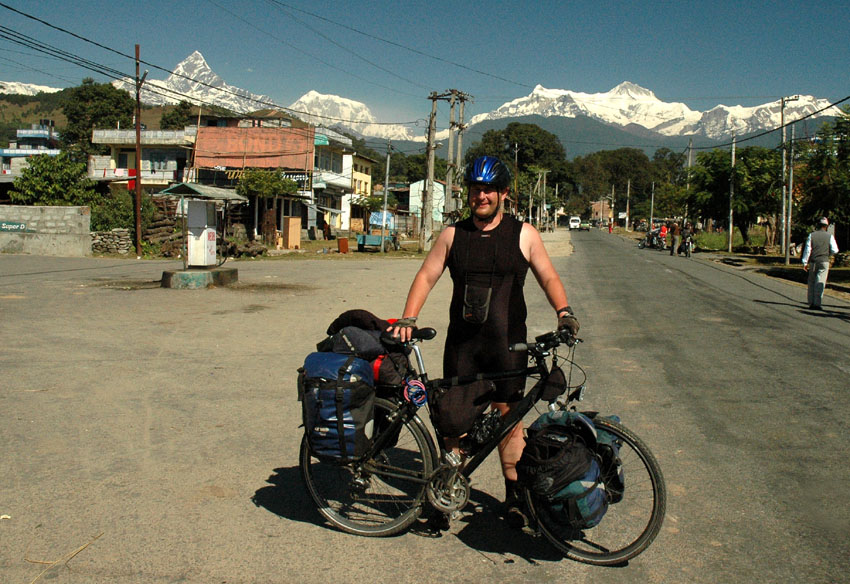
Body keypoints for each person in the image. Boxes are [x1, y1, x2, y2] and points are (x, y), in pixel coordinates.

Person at [389, 155, 579, 528]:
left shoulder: (524, 234)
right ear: (469, 194)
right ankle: (448, 491)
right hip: (463, 347)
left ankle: (515, 499)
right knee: (453, 424)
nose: (482, 196)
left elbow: (548, 277)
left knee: (509, 424)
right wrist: (408, 317)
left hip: (508, 347)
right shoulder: (452, 235)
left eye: (489, 189)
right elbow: (427, 275)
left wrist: (564, 311)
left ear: (503, 193)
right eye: (476, 189)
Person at [801, 217, 839, 310]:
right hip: (824, 261)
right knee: (820, 282)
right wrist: (828, 253)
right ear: (826, 226)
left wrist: (805, 262)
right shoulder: (829, 236)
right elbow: (835, 250)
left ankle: (811, 302)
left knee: (811, 282)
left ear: (818, 225)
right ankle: (817, 303)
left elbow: (807, 250)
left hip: (814, 261)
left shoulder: (812, 235)